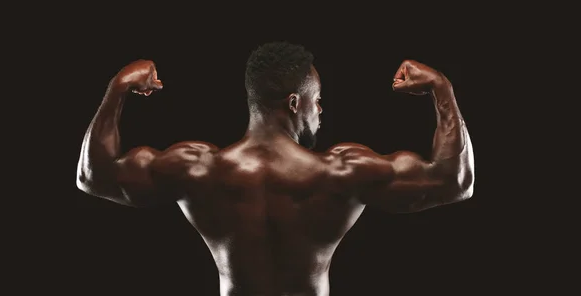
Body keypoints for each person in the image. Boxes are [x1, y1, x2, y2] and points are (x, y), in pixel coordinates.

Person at [76, 42, 475, 296]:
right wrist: (442, 88)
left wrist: (118, 87)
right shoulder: (342, 171)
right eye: (317, 100)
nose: (321, 111)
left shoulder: (199, 169)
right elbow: (455, 181)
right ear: (293, 103)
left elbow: (93, 176)